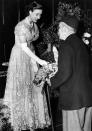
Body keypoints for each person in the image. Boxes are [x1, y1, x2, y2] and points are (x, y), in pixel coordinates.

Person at [2, 1, 51, 131]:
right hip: (21, 57)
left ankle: (34, 119)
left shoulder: (34, 24)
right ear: (30, 12)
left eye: (40, 14)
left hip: (31, 55)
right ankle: (21, 120)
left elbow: (31, 43)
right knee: (22, 87)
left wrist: (35, 61)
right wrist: (39, 61)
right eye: (37, 14)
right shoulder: (20, 26)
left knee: (34, 86)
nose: (39, 17)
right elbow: (24, 47)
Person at [51, 15, 92, 131]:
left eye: (59, 28)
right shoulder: (82, 45)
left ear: (65, 28)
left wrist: (51, 81)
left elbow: (65, 73)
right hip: (87, 97)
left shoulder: (66, 45)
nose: (58, 32)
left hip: (73, 99)